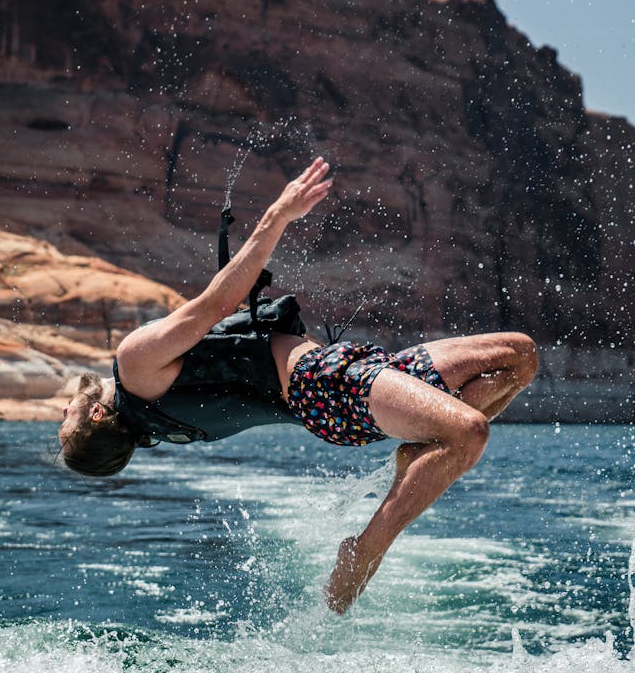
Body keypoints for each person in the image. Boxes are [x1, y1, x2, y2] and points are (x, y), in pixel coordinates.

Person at [59, 159, 537, 613]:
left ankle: (419, 455)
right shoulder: (136, 366)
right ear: (97, 415)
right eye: (66, 421)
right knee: (469, 431)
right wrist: (279, 213)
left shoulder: (164, 422)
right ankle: (364, 553)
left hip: (346, 380)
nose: (62, 411)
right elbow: (219, 302)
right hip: (331, 387)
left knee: (520, 358)